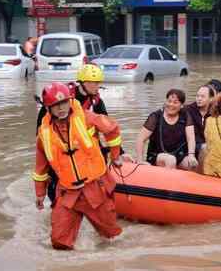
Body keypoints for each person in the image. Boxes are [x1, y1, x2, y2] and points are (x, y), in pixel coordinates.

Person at [33, 82, 123, 250]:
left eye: (64, 103)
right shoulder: (43, 134)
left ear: (70, 100)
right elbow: (40, 167)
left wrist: (115, 155)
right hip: (68, 193)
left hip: (95, 188)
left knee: (111, 238)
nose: (61, 108)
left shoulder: (87, 117)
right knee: (59, 243)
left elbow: (112, 129)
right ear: (48, 108)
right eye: (55, 105)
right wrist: (40, 193)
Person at [135, 89, 198, 170]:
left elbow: (191, 138)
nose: (171, 104)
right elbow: (141, 139)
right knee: (171, 160)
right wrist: (140, 160)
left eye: (175, 102)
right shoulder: (155, 116)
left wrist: (191, 155)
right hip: (157, 155)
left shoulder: (185, 115)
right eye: (169, 101)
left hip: (179, 155)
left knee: (193, 164)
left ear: (181, 105)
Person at [186, 85, 215, 166]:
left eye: (203, 96)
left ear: (211, 99)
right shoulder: (188, 110)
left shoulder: (215, 112)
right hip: (191, 147)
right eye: (197, 96)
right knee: (204, 147)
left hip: (210, 146)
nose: (199, 99)